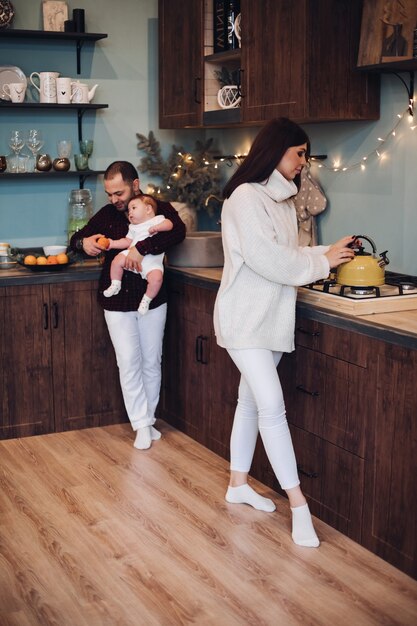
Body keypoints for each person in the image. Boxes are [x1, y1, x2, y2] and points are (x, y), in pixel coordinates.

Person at [213, 118, 356, 548]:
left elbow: (285, 254)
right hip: (244, 321)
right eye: (299, 153)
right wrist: (323, 263)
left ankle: (238, 483)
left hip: (269, 320)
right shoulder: (244, 197)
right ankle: (299, 506)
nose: (303, 163)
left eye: (305, 155)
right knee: (272, 407)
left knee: (249, 402)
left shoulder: (281, 200)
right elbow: (267, 261)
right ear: (276, 151)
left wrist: (326, 252)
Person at [69, 161, 186, 450]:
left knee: (151, 360)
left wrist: (140, 247)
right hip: (117, 300)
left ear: (135, 184)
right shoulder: (108, 215)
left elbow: (177, 232)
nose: (114, 200)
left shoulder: (157, 207)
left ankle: (148, 419)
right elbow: (75, 238)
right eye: (109, 194)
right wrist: (84, 243)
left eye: (118, 193)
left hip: (152, 298)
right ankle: (141, 424)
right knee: (128, 362)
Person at [103, 194, 173, 316]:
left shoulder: (157, 220)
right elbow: (127, 241)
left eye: (134, 208)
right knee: (117, 260)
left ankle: (146, 299)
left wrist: (158, 227)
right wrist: (112, 243)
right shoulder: (133, 227)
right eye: (129, 210)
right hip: (131, 257)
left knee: (157, 279)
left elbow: (170, 225)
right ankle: (115, 284)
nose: (130, 212)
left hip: (151, 263)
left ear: (148, 209)